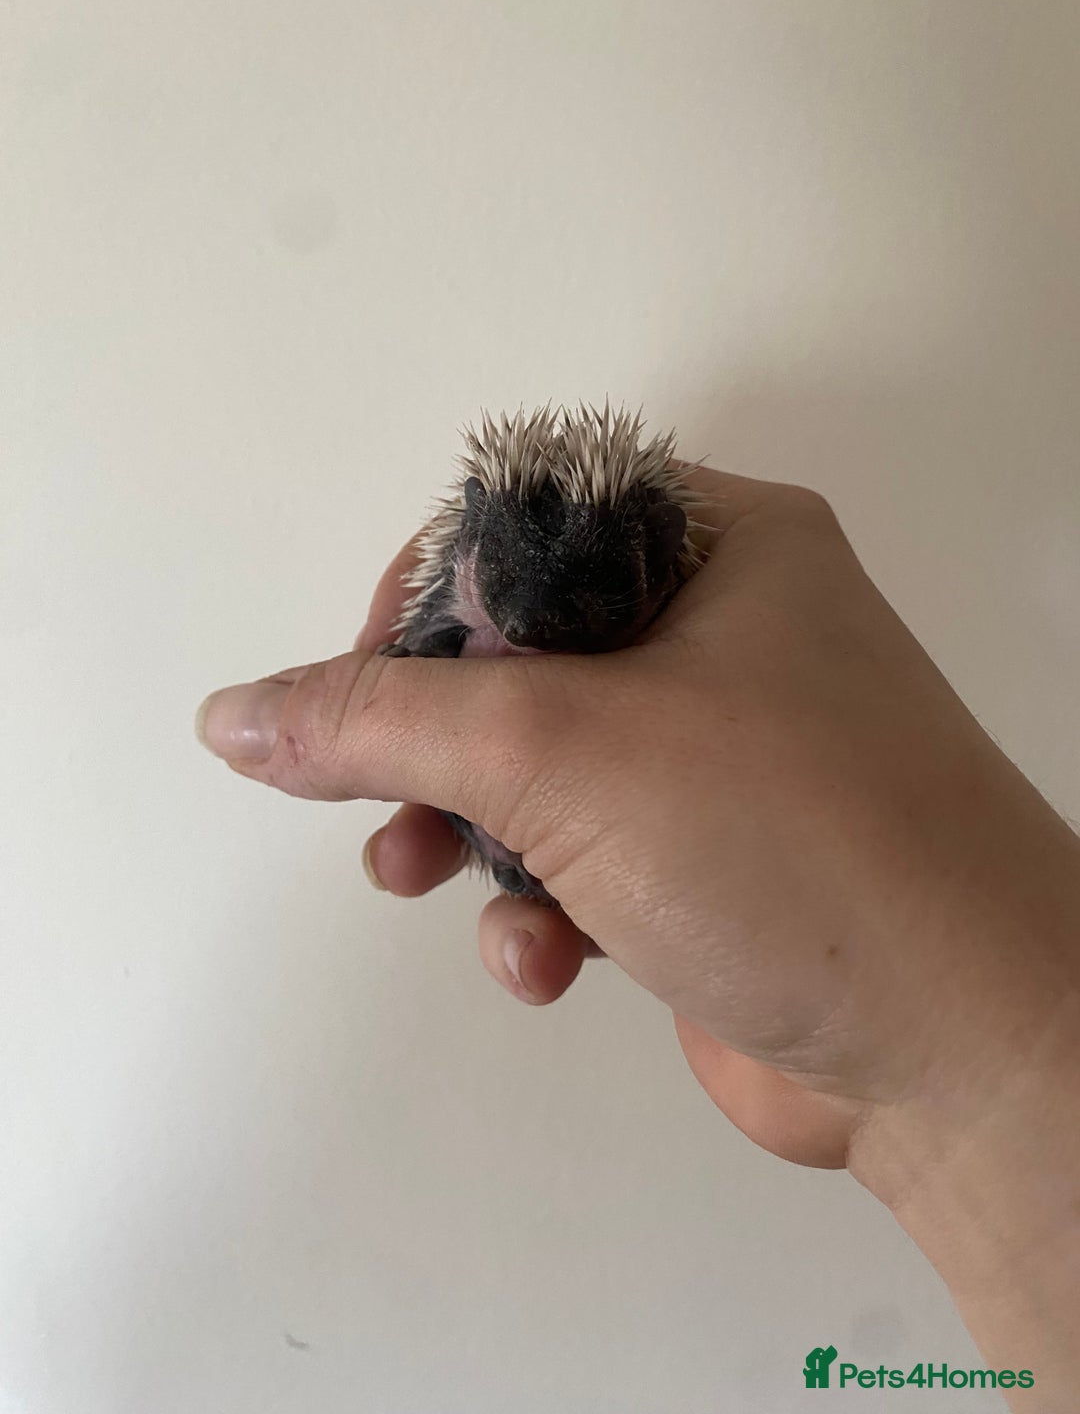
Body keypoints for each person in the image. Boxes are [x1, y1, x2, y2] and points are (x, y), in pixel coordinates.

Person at [196, 468, 1080, 1410]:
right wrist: (944, 1091)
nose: (543, 629)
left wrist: (935, 1089)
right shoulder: (469, 599)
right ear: (478, 553)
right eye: (519, 596)